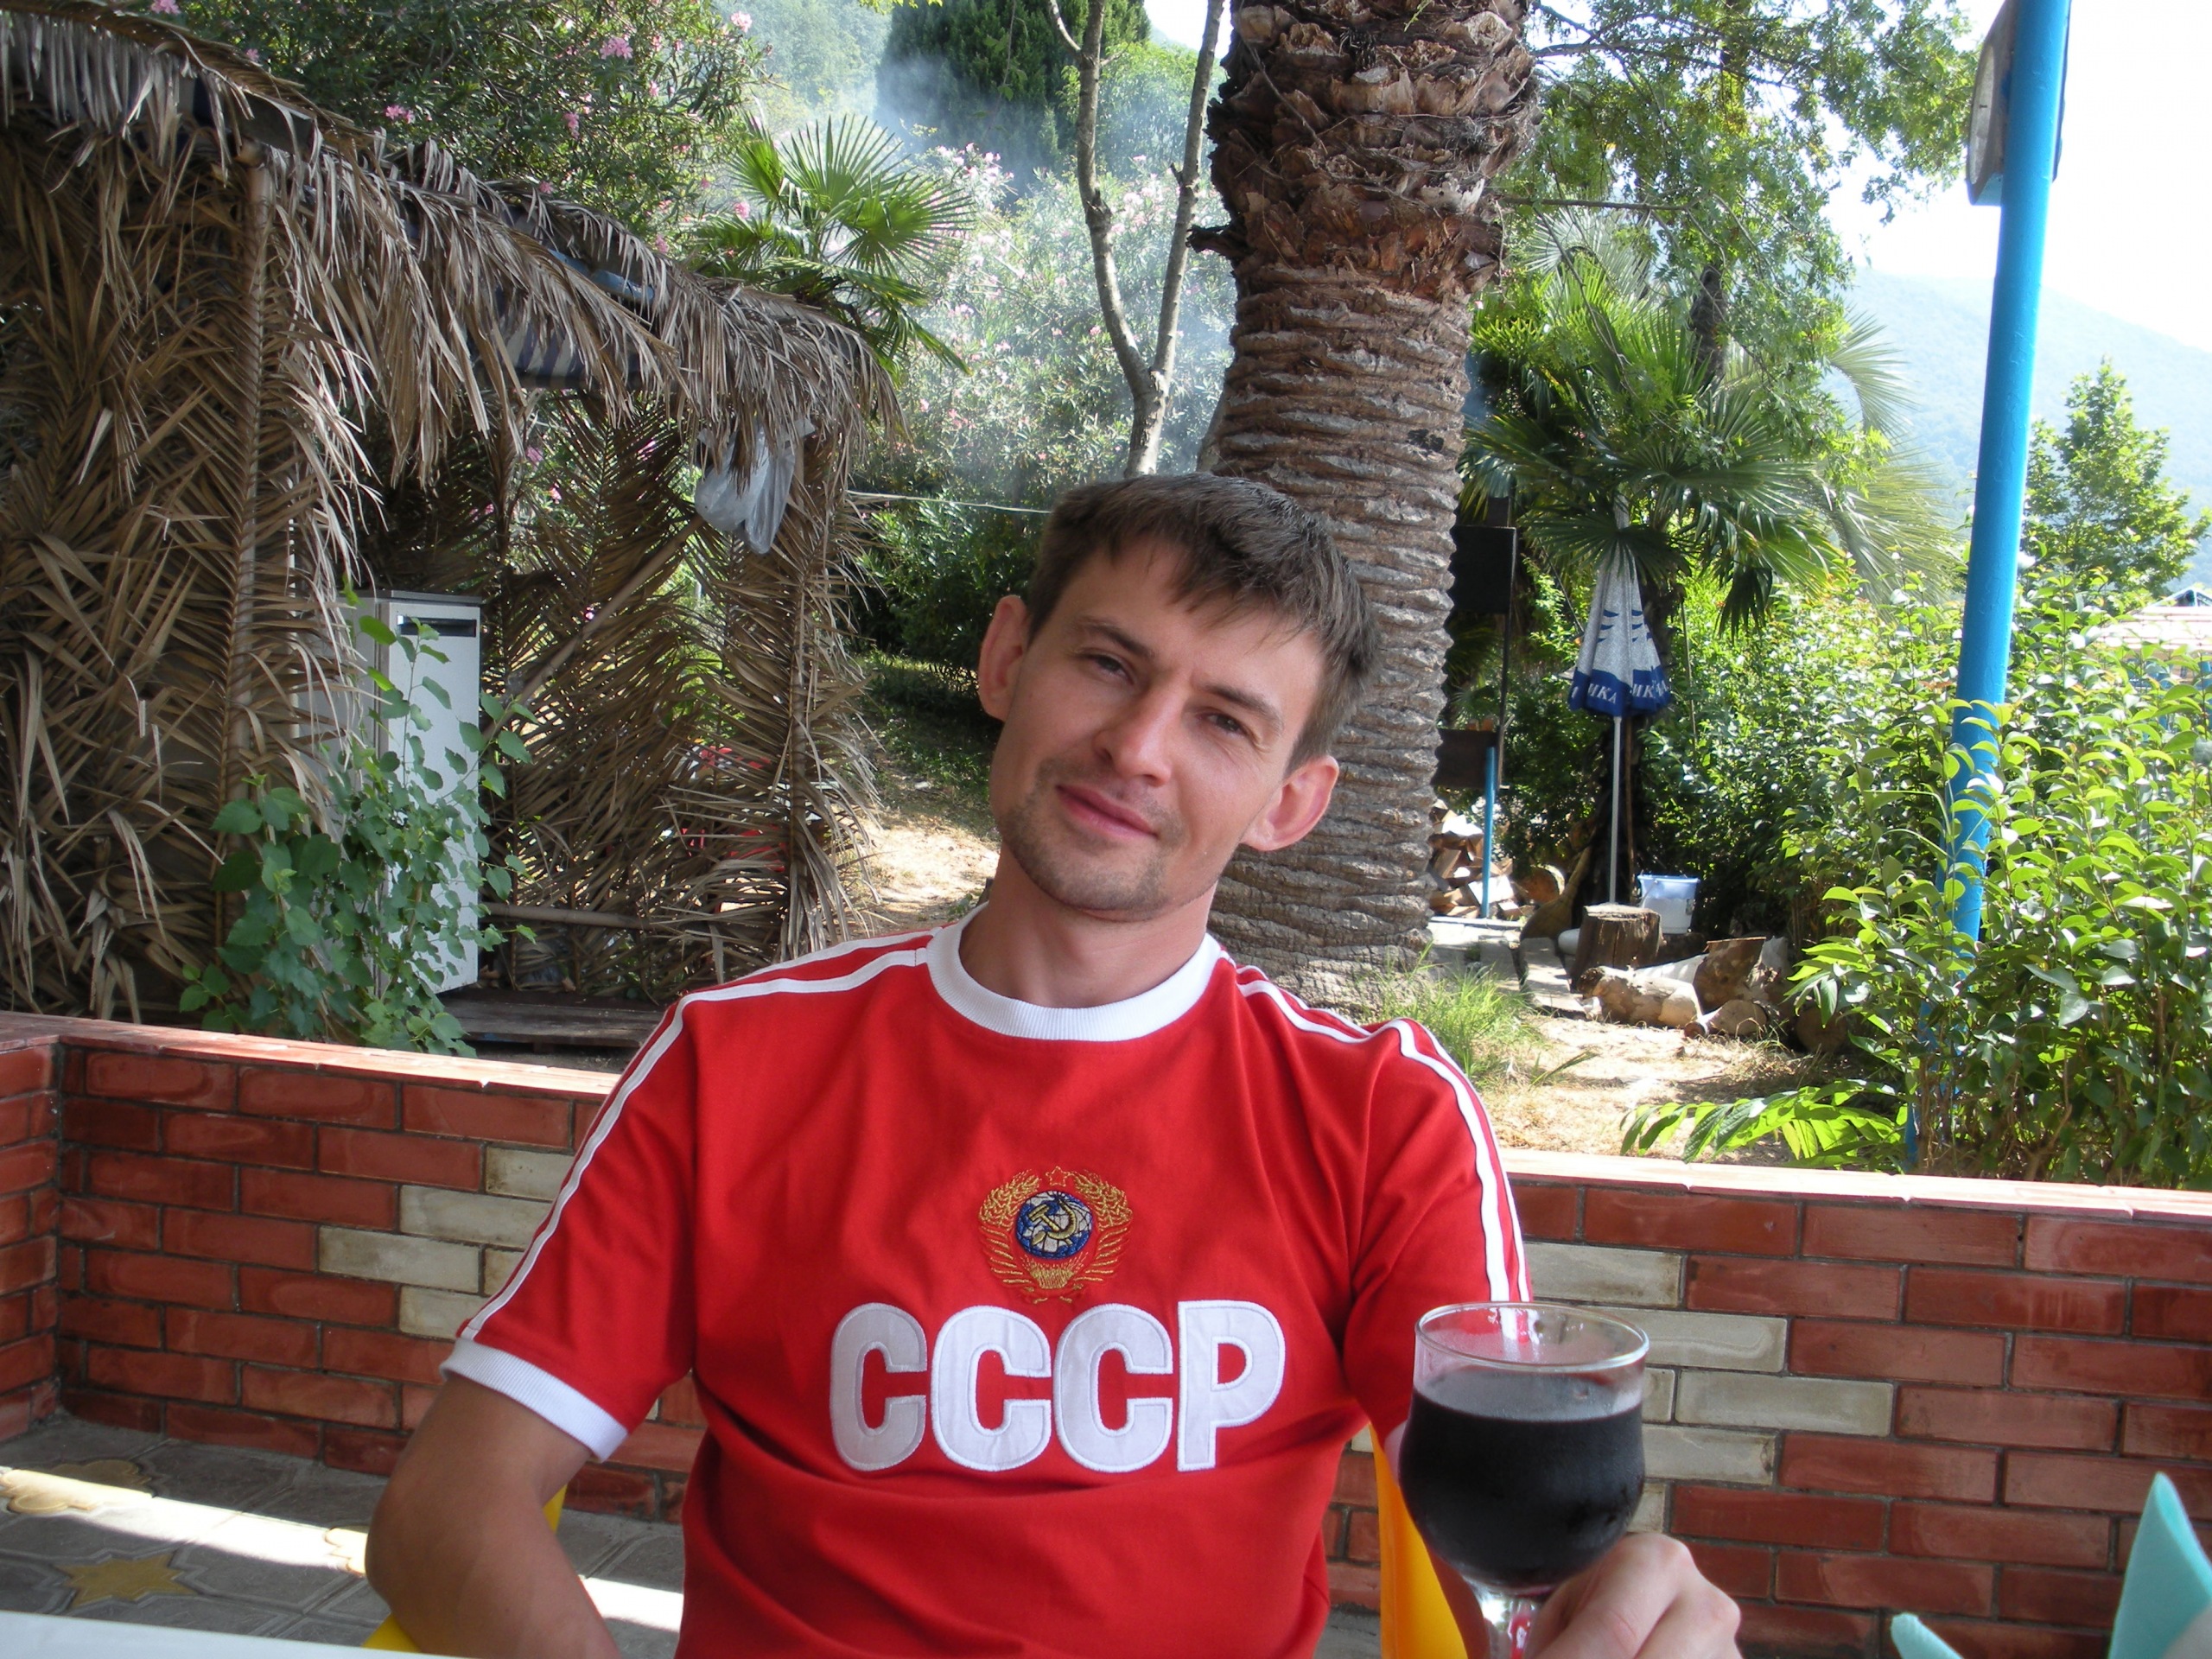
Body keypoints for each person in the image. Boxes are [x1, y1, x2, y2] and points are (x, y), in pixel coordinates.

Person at [366, 475, 1738, 1659]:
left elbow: (1498, 1561)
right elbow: (446, 1508)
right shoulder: (736, 1063)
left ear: (1290, 804)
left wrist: (1614, 1615)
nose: (1137, 749)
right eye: (1110, 664)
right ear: (1007, 659)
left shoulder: (1381, 1117)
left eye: (1225, 721)